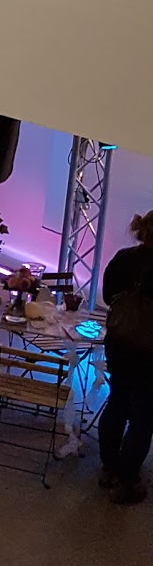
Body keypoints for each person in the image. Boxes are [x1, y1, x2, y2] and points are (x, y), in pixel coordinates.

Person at [98, 210, 153, 505]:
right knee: (143, 415)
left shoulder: (123, 257)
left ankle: (109, 466)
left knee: (117, 401)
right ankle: (128, 480)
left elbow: (108, 297)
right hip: (150, 351)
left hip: (119, 342)